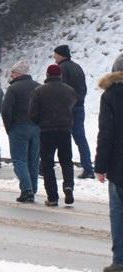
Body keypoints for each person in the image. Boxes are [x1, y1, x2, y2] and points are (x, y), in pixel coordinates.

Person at [29, 63, 78, 207]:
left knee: (47, 163)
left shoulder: (39, 91)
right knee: (66, 161)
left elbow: (32, 113)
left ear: (47, 75)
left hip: (46, 131)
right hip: (64, 130)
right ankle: (68, 186)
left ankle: (52, 197)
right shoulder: (69, 91)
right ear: (60, 75)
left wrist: (40, 122)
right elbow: (74, 105)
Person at [95, 55, 123, 272]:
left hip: (118, 165)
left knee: (118, 212)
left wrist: (101, 166)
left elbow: (107, 133)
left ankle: (120, 260)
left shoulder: (112, 95)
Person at [1, 59, 41, 202]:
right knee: (33, 160)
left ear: (18, 73)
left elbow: (6, 110)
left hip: (18, 127)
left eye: (13, 72)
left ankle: (27, 189)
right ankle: (33, 188)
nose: (10, 75)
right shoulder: (38, 87)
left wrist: (9, 127)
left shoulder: (13, 89)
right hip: (36, 128)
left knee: (19, 160)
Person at [54, 45, 95, 179]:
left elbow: (61, 89)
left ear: (61, 55)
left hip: (66, 108)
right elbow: (83, 88)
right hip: (79, 106)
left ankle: (45, 166)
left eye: (56, 54)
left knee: (57, 136)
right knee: (80, 138)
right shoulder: (77, 67)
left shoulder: (62, 69)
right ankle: (88, 167)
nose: (54, 57)